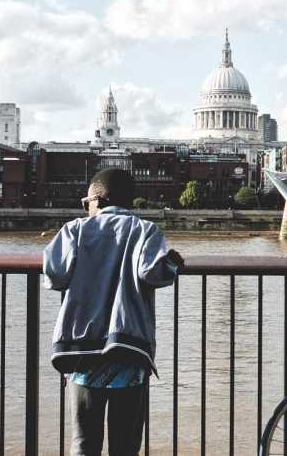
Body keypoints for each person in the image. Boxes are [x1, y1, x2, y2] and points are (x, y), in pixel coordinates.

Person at [43, 169, 184, 456]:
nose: (86, 208)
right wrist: (172, 263)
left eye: (86, 203)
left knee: (84, 443)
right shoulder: (145, 230)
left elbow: (55, 276)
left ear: (97, 199)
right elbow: (154, 273)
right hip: (129, 349)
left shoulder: (75, 230)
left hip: (82, 351)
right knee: (125, 445)